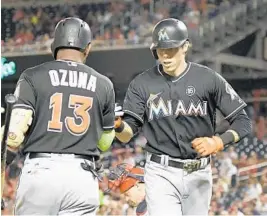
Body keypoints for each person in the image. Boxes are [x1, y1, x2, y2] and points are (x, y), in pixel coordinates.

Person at [114, 18, 252, 215]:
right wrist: (118, 126)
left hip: (198, 172)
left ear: (185, 46)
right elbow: (127, 134)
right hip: (160, 172)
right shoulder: (141, 84)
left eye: (172, 49)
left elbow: (243, 122)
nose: (166, 55)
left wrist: (219, 142)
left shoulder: (208, 78)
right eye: (161, 50)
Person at [2, 17, 116, 215]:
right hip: (82, 176)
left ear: (53, 46)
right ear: (87, 48)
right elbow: (105, 142)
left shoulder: (33, 76)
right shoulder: (104, 84)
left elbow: (14, 134)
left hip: (42, 172)